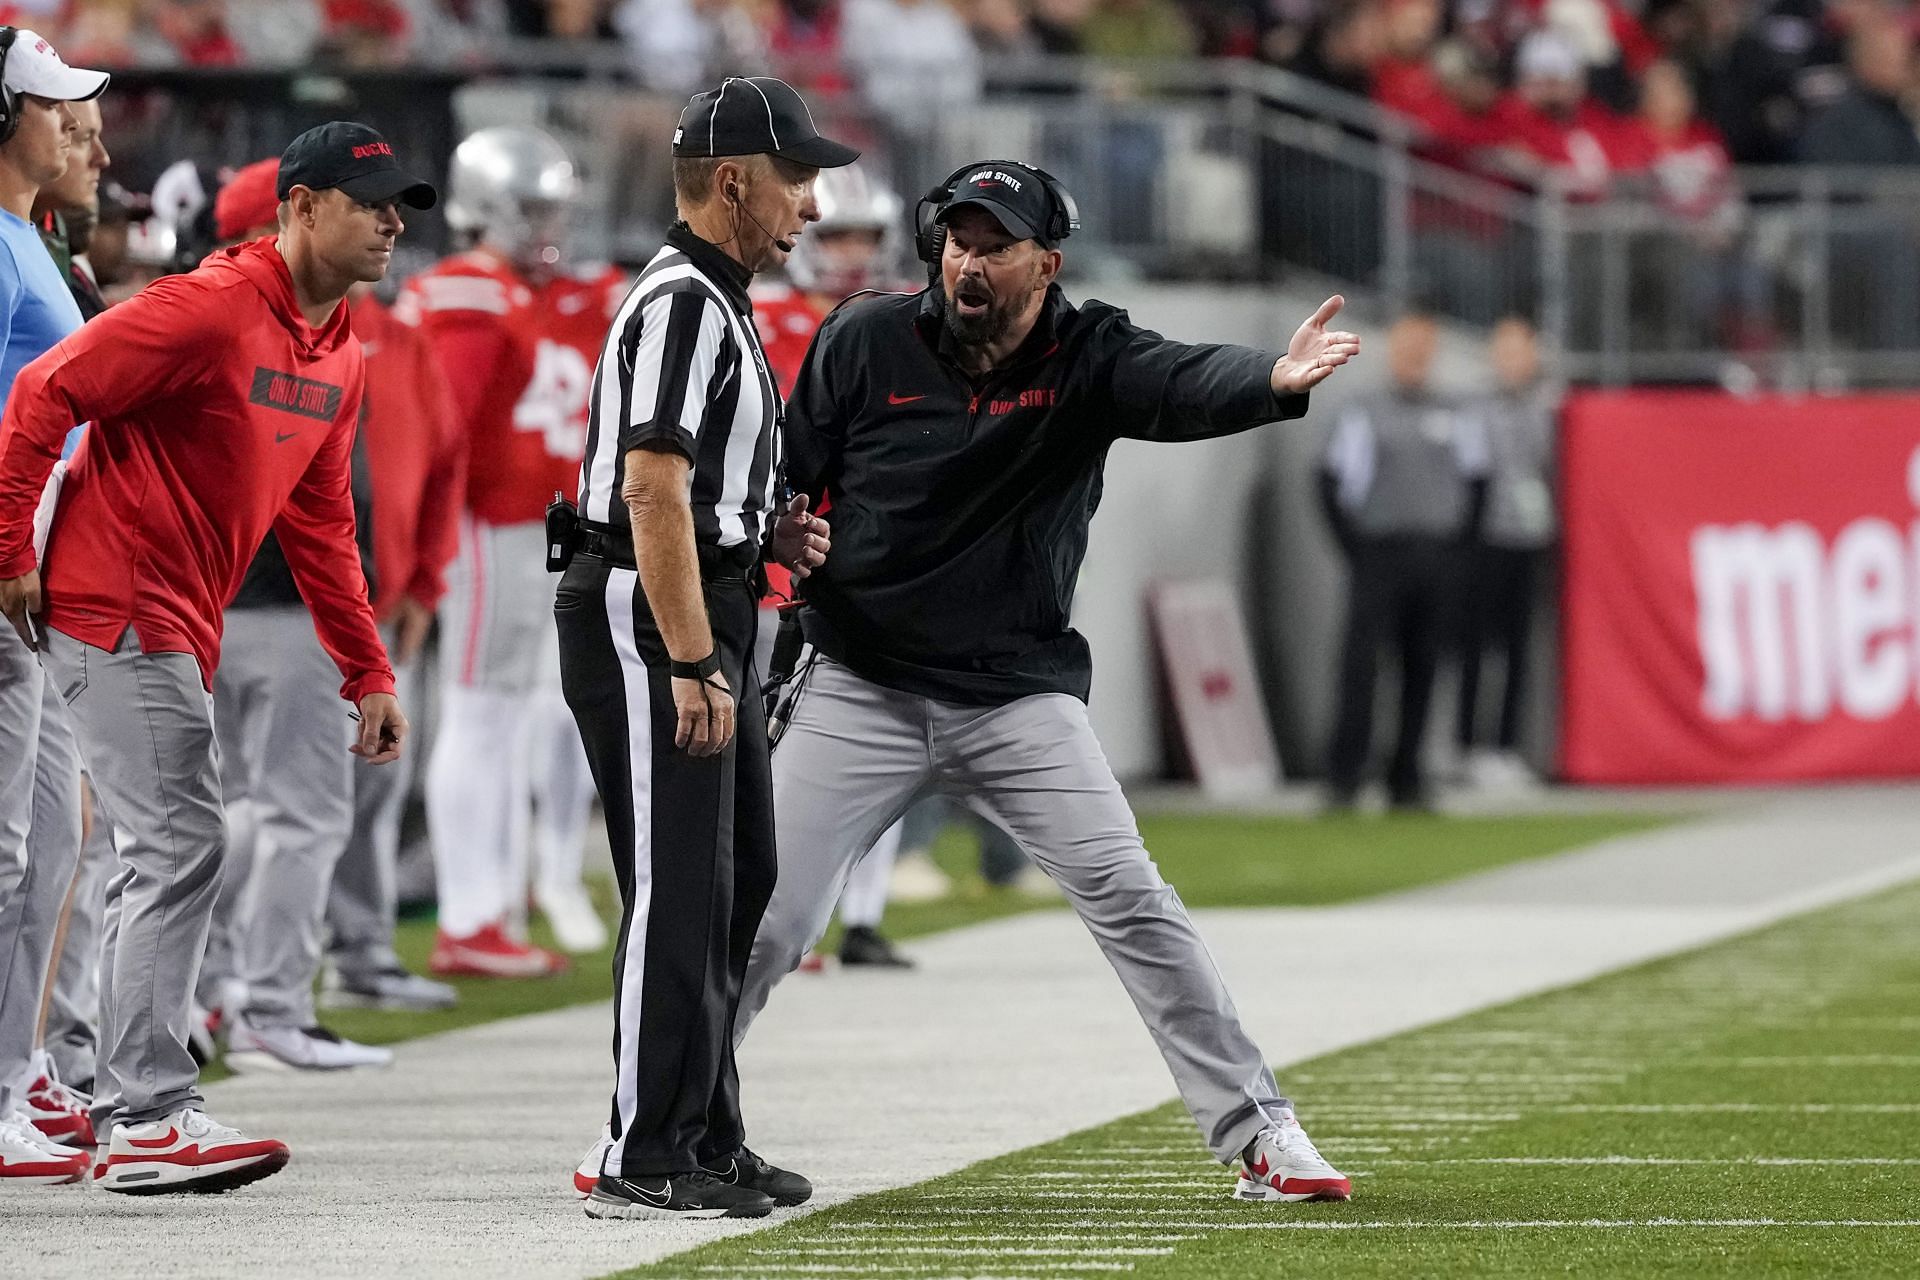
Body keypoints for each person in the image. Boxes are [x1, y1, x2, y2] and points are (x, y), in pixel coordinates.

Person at [735, 159, 1360, 1204]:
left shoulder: (1087, 351)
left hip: (1015, 693)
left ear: (1046, 262)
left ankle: (1260, 1131)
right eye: (957, 239)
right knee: (763, 920)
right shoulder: (865, 336)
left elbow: (1176, 379)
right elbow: (792, 469)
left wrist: (1269, 379)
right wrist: (782, 533)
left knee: (1135, 900)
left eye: (994, 245)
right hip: (863, 678)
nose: (968, 260)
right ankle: (664, 1124)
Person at [0, 120, 429, 1193]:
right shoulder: (207, 305)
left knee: (138, 846)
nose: (389, 221)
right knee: (177, 839)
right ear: (298, 206)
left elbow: (322, 524)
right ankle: (146, 1111)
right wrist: (8, 545)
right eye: (365, 199)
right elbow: (43, 391)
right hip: (117, 598)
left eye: (398, 204)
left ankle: (106, 1094)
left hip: (179, 614)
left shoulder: (341, 348)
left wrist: (366, 669)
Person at [560, 75, 853, 1221]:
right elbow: (647, 484)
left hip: (693, 594)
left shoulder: (714, 296)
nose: (813, 206)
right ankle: (643, 1141)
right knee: (679, 885)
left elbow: (689, 489)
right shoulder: (686, 298)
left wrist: (759, 525)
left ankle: (705, 1131)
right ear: (733, 180)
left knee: (739, 880)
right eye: (797, 178)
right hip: (651, 612)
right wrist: (690, 657)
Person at [406, 125, 624, 974]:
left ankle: (491, 908)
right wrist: (428, 545)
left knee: (500, 716)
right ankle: (469, 916)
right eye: (532, 208)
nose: (549, 225)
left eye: (554, 208)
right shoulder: (469, 291)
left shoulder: (529, 291)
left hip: (528, 527)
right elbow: (441, 435)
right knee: (479, 712)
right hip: (484, 526)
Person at [753, 161, 916, 969]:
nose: (852, 252)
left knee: (887, 736)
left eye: (866, 237)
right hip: (789, 550)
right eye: (839, 234)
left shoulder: (900, 316)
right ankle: (789, 907)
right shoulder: (765, 315)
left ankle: (864, 913)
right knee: (796, 741)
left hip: (877, 551)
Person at [0, 24, 107, 1187]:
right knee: (4, 846)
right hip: (4, 565)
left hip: (32, 567)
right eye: (49, 106)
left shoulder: (26, 237)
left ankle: (18, 1070)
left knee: (43, 844)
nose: (70, 124)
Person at [1320, 311, 1486, 811]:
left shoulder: (1457, 411)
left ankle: (1407, 776)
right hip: (1379, 553)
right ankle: (1346, 776)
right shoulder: (1363, 410)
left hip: (1435, 555)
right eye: (1406, 346)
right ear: (1391, 350)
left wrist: (1458, 550)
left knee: (1424, 666)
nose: (1414, 357)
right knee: (1362, 666)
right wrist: (1356, 548)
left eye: (1423, 347)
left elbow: (1478, 482)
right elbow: (1329, 484)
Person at [1455, 316, 1554, 786]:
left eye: (1521, 352)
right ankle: (1467, 745)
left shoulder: (1544, 409)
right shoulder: (1473, 408)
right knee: (1475, 645)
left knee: (1518, 647)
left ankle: (1505, 746)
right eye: (1505, 351)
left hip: (1527, 538)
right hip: (1483, 538)